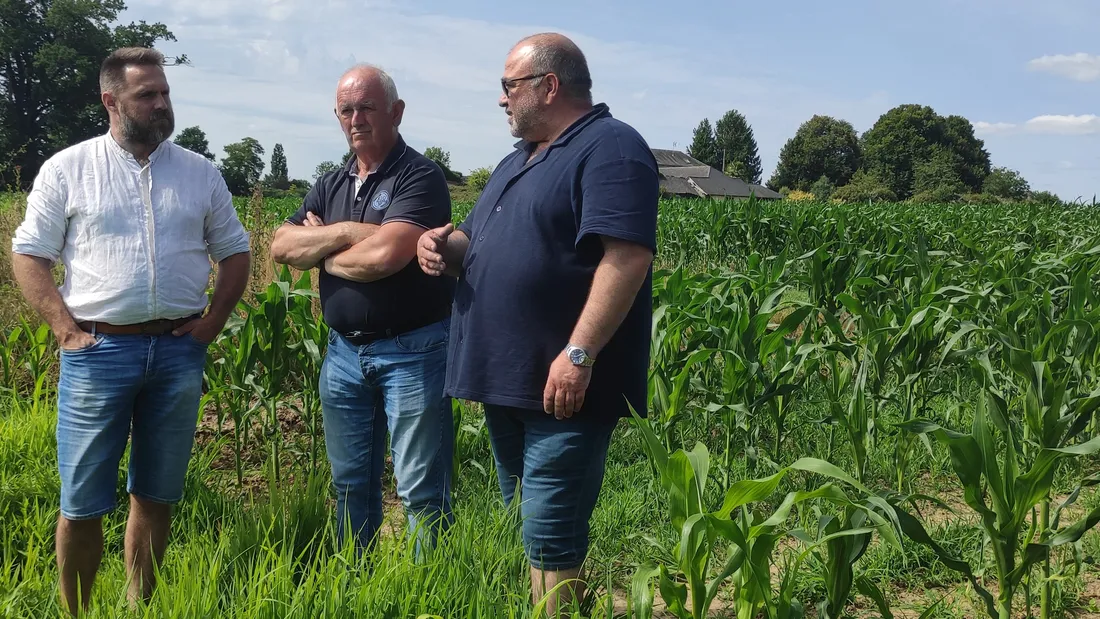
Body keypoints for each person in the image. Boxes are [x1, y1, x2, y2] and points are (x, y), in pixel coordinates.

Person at [416, 33, 658, 614]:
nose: (501, 99)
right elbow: (473, 245)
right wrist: (439, 248)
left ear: (548, 86)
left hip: (562, 386)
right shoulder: (517, 160)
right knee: (530, 521)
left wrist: (578, 355)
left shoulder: (612, 148)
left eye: (508, 85)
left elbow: (626, 257)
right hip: (510, 380)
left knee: (551, 533)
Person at [10, 47, 252, 615]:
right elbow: (29, 254)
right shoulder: (69, 169)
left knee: (157, 491)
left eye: (165, 92)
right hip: (99, 351)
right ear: (110, 101)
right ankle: (79, 611)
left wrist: (211, 323)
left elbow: (236, 253)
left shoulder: (199, 173)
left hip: (176, 352)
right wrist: (67, 333)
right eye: (148, 95)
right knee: (82, 499)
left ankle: (139, 603)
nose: (162, 104)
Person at [270, 64, 455, 559]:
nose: (356, 119)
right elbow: (282, 246)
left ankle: (428, 589)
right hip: (343, 355)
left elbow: (385, 258)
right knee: (350, 482)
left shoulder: (420, 175)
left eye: (367, 107)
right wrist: (352, 233)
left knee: (420, 486)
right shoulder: (331, 181)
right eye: (346, 110)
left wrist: (323, 251)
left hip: (414, 351)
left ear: (395, 112)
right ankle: (356, 575)